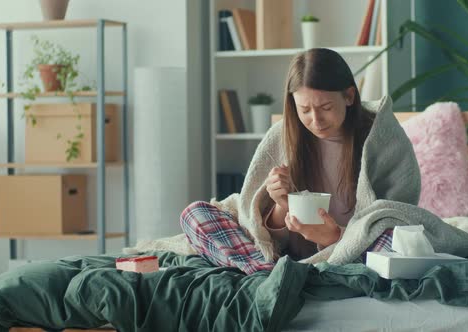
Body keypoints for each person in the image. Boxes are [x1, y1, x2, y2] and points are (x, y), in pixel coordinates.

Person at [180, 48, 420, 274]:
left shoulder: (383, 138)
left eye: (325, 107)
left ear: (348, 96)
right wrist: (281, 204)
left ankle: (270, 276)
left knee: (400, 244)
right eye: (304, 110)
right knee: (196, 214)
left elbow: (396, 218)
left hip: (353, 249)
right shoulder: (281, 135)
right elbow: (267, 238)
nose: (316, 119)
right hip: (284, 258)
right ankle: (267, 274)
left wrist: (335, 237)